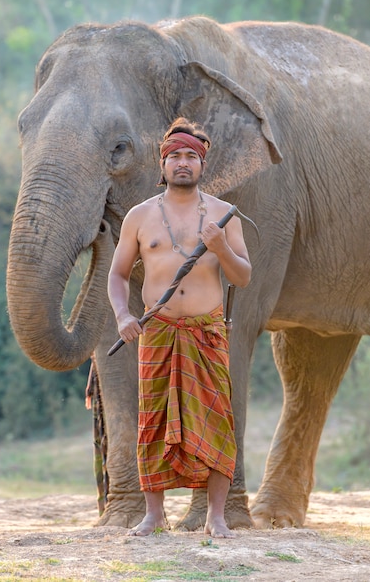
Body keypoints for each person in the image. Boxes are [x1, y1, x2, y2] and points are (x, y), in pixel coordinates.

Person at [107, 117, 252, 538]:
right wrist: (123, 316)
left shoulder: (225, 216)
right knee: (153, 419)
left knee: (217, 420)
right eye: (175, 157)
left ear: (203, 164)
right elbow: (117, 276)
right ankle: (154, 515)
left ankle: (216, 517)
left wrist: (220, 246)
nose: (183, 163)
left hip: (207, 331)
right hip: (158, 330)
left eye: (191, 156)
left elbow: (242, 277)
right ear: (163, 164)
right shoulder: (140, 216)